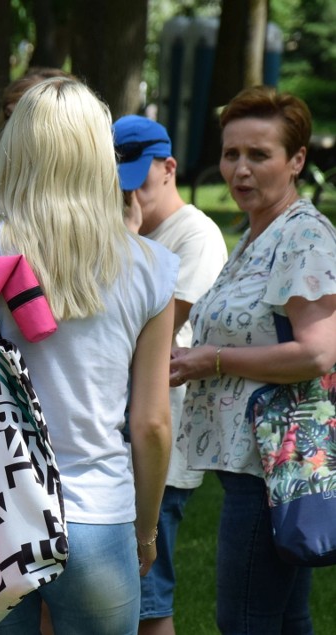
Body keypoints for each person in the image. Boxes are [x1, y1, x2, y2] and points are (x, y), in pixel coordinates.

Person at [0, 77, 179, 635]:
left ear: (14, 149)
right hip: (99, 519)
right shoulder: (152, 266)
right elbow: (152, 422)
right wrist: (147, 529)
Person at [170, 86, 336, 634]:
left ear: (296, 161)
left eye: (259, 155)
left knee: (244, 620)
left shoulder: (303, 236)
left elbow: (317, 351)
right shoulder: (257, 233)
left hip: (273, 466)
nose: (239, 170)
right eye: (231, 153)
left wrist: (210, 360)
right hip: (260, 466)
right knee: (286, 619)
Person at [112, 114, 227, 635]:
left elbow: (151, 328)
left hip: (164, 444)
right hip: (116, 435)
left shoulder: (194, 235)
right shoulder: (124, 232)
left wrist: (130, 242)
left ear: (169, 166)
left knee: (149, 600)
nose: (129, 192)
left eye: (138, 176)